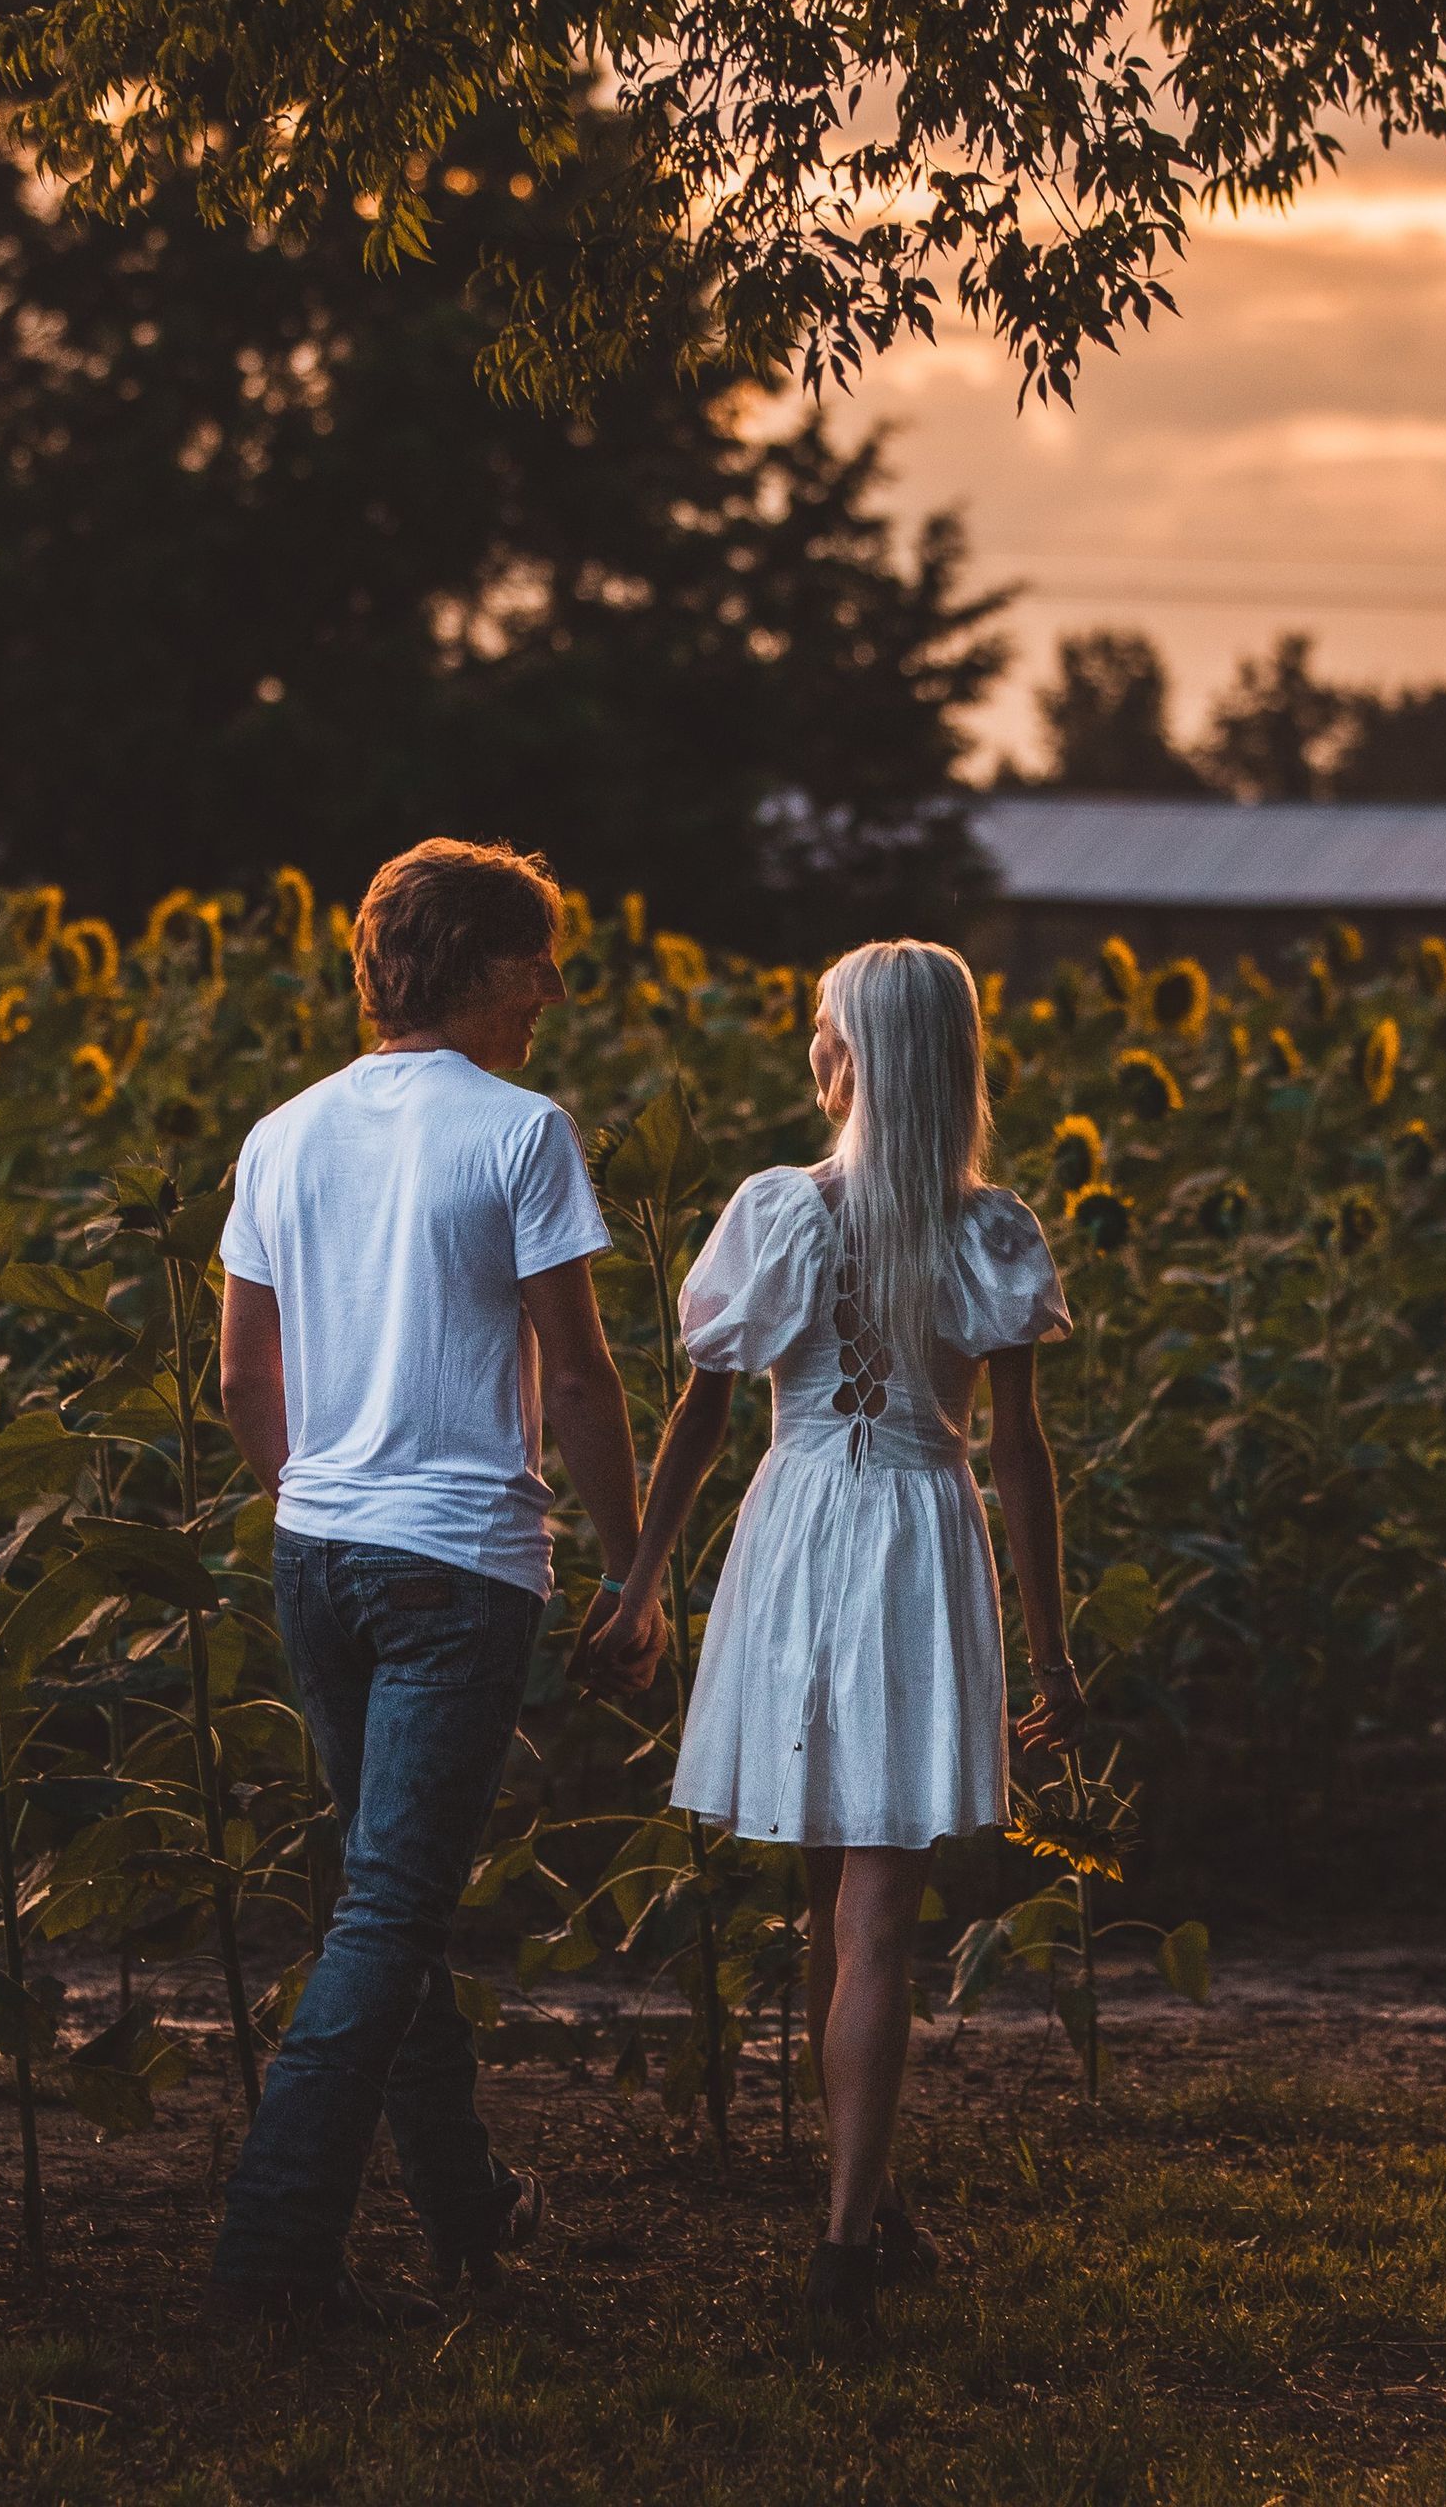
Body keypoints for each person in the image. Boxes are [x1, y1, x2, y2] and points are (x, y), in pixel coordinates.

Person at [592, 940, 1085, 2335]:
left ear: (854, 1054)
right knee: (867, 1908)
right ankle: (855, 2228)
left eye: (822, 1029)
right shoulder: (991, 1230)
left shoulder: (780, 1211)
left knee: (840, 1902)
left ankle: (852, 2222)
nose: (812, 1050)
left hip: (802, 1527)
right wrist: (1051, 1658)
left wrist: (640, 1581)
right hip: (923, 1531)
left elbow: (699, 1413)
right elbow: (1022, 1459)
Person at [211, 836, 665, 2324]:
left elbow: (239, 1375)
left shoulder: (282, 1134)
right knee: (391, 1912)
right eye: (536, 955)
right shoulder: (522, 1132)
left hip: (318, 1551)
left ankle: (467, 2204)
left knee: (378, 1900)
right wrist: (634, 1574)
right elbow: (586, 1384)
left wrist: (310, 1496)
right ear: (474, 960)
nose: (552, 985)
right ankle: (272, 2257)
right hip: (458, 1562)